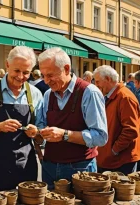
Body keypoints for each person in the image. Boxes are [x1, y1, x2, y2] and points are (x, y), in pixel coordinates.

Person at [37, 47, 108, 189]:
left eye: (50, 75)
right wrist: (38, 132)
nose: (45, 81)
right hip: (49, 166)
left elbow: (100, 137)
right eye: (43, 75)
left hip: (80, 168)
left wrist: (65, 135)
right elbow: (43, 126)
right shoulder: (48, 95)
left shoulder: (89, 92)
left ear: (67, 69)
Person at [0, 46, 43, 193]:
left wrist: (36, 132)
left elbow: (41, 136)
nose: (20, 76)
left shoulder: (35, 94)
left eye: (26, 72)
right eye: (17, 71)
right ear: (7, 65)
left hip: (25, 166)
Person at [93, 65, 140, 175]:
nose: (96, 85)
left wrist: (114, 150)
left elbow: (131, 130)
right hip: (112, 158)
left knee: (121, 191)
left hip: (121, 160)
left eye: (97, 81)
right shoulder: (112, 96)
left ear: (108, 79)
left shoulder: (125, 97)